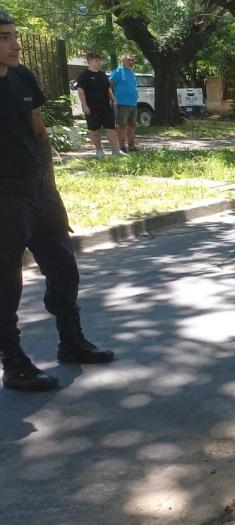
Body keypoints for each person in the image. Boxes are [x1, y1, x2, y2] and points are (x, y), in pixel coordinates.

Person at [0, 11, 114, 391]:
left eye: (15, 35)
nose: (15, 43)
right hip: (4, 196)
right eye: (4, 37)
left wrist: (51, 187)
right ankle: (14, 363)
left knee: (64, 268)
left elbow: (39, 132)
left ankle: (71, 341)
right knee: (6, 284)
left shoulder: (22, 76)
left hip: (39, 191)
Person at [75, 51, 120, 156]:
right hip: (91, 107)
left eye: (99, 60)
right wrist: (85, 106)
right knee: (95, 130)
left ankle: (115, 150)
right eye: (96, 60)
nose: (99, 62)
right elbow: (81, 92)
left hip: (105, 106)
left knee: (111, 127)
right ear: (89, 61)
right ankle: (99, 150)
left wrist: (113, 99)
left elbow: (108, 89)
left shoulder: (103, 75)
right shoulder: (83, 75)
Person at [109, 54, 138, 153]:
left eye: (132, 60)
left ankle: (131, 146)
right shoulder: (118, 71)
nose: (131, 62)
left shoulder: (132, 72)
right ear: (123, 61)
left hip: (133, 103)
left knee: (132, 125)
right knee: (122, 125)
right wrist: (113, 99)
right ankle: (121, 147)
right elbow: (109, 85)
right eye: (129, 60)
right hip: (122, 103)